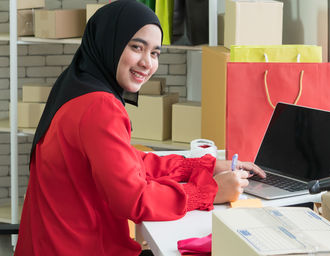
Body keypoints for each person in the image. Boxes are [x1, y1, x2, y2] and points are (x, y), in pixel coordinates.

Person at [14, 1, 265, 255]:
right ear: (109, 42)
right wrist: (208, 192)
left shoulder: (78, 84)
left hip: (48, 244)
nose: (147, 63)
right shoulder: (99, 106)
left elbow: (127, 161)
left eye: (155, 53)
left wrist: (204, 166)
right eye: (137, 47)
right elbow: (134, 199)